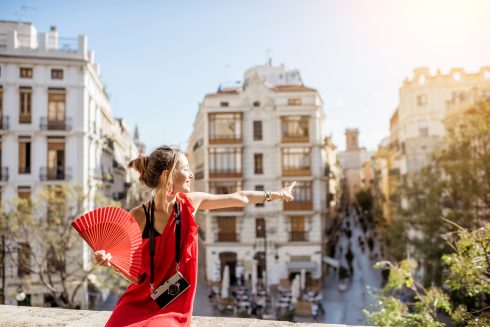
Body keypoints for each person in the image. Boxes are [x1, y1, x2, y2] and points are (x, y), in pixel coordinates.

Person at [94, 146, 295, 327]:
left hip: (173, 303)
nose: (191, 174)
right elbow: (132, 272)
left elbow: (240, 198)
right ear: (168, 175)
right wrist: (109, 261)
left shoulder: (191, 203)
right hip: (139, 299)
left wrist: (277, 194)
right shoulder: (138, 215)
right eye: (185, 169)